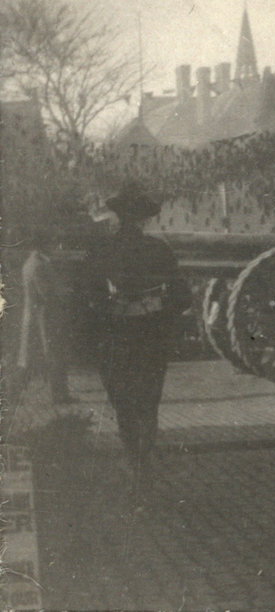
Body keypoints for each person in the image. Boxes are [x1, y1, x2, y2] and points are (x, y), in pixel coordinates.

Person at [81, 181, 190, 484]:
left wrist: (107, 311)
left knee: (123, 399)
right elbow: (182, 296)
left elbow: (89, 296)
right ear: (143, 217)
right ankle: (143, 457)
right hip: (151, 334)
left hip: (115, 334)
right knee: (148, 399)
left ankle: (133, 455)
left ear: (118, 215)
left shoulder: (103, 249)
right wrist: (161, 314)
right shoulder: (159, 249)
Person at [17, 231, 75, 404]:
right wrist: (65, 295)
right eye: (52, 243)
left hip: (35, 315)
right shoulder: (39, 265)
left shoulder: (31, 263)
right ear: (44, 245)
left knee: (31, 357)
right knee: (54, 355)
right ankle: (59, 395)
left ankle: (15, 394)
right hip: (45, 316)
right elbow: (46, 293)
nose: (55, 246)